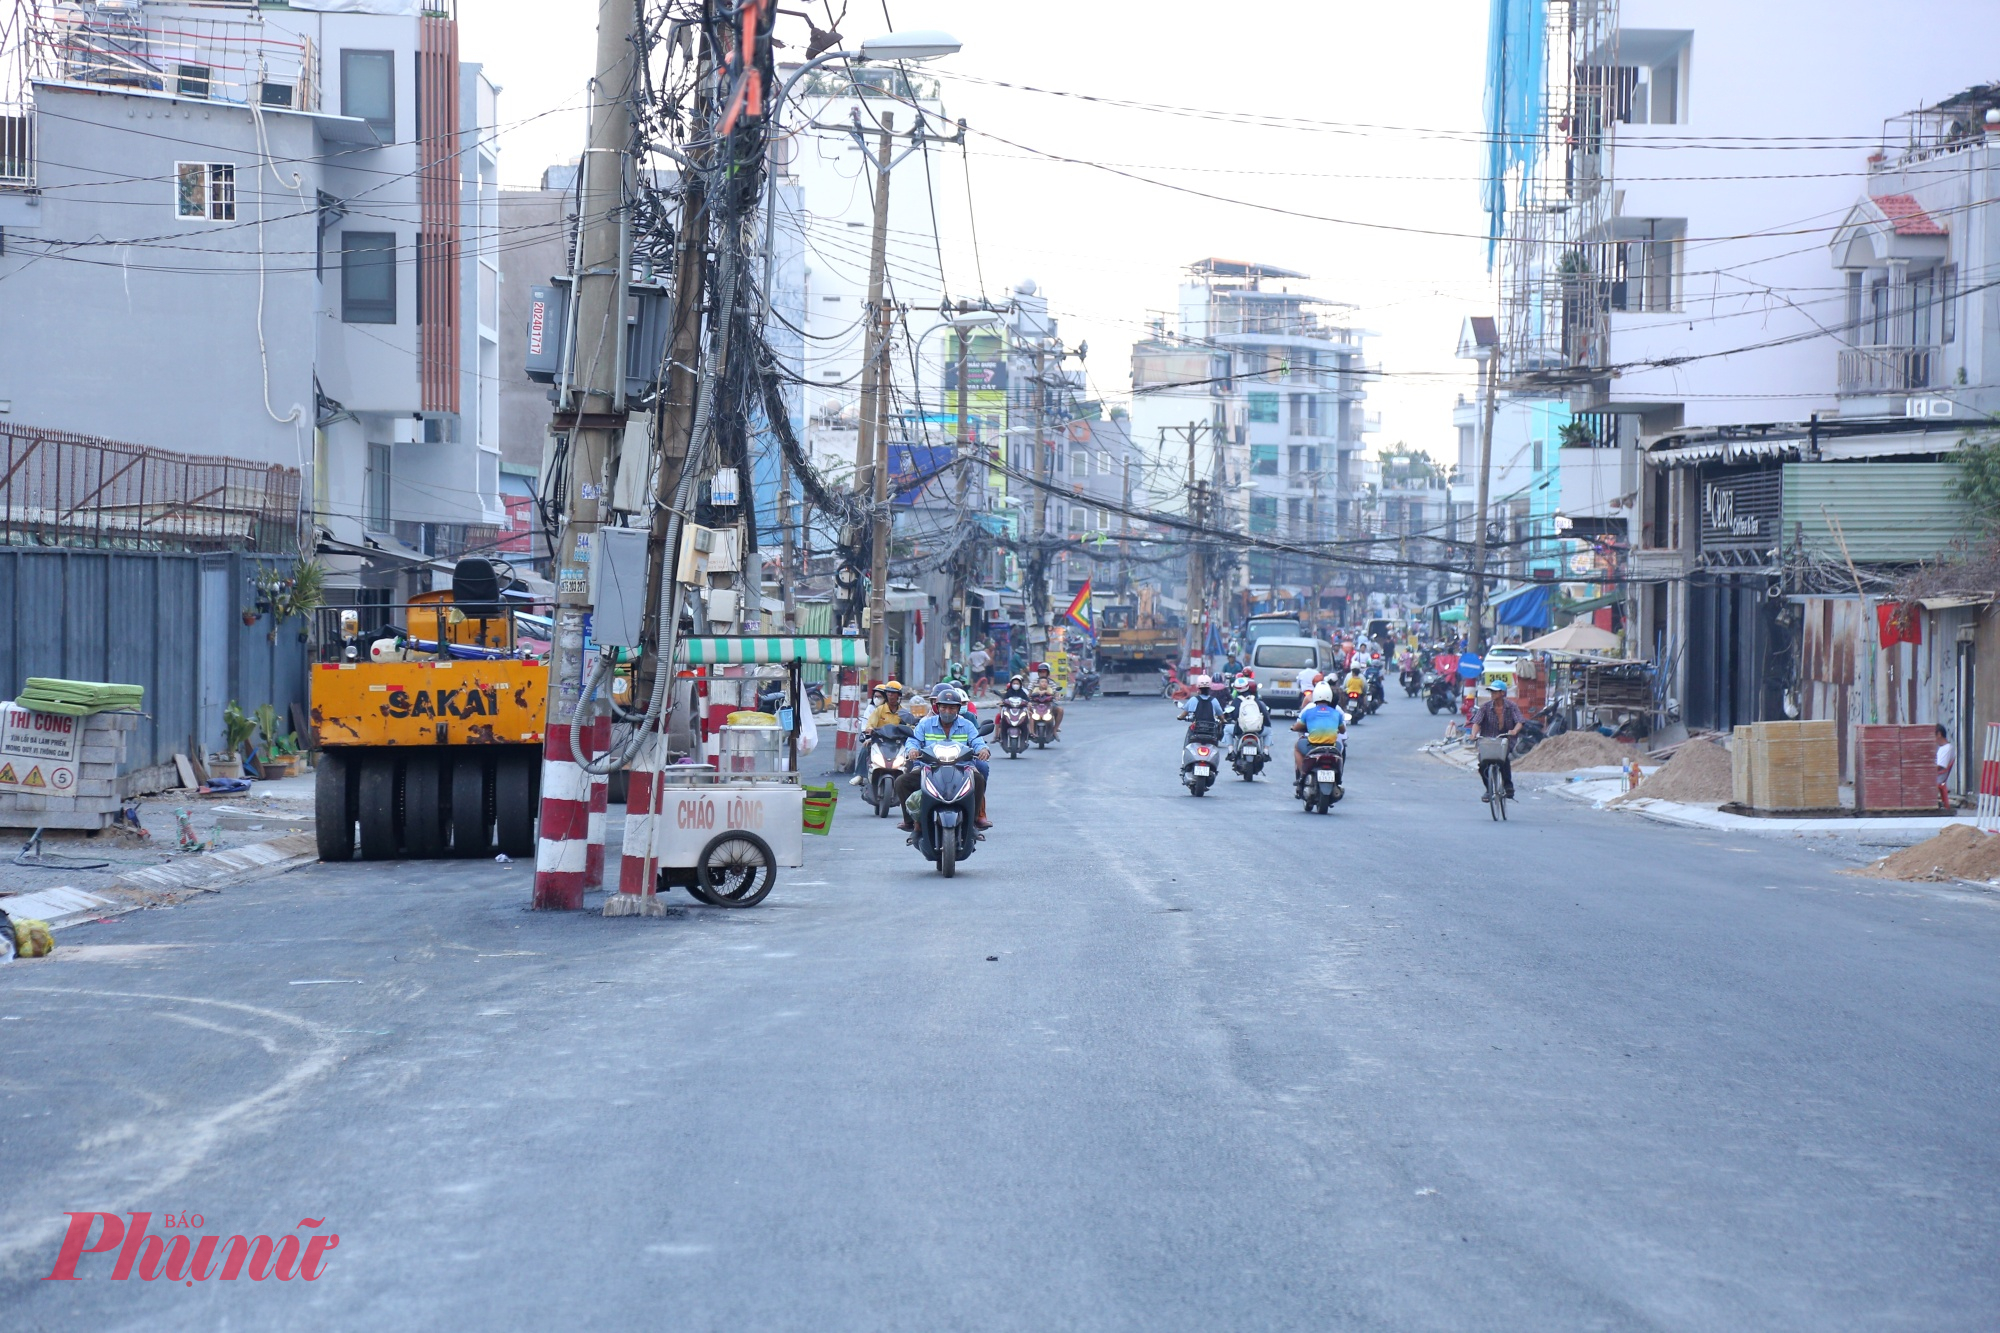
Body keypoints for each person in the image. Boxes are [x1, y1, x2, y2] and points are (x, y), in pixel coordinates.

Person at [894, 685, 991, 831]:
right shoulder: (925, 724)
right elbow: (913, 740)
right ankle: (912, 822)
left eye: (952, 708)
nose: (947, 711)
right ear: (937, 707)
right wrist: (912, 750)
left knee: (978, 780)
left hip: (962, 768)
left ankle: (973, 821)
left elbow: (977, 741)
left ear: (958, 709)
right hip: (929, 768)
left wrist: (982, 750)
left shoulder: (967, 725)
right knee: (901, 782)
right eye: (944, 707)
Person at [1469, 679, 1525, 800]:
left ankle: (1508, 785)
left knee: (1503, 760)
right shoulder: (1485, 707)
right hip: (1487, 740)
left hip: (1504, 740)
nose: (1492, 694)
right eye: (1491, 692)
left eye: (1495, 692)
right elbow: (1476, 722)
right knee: (1483, 765)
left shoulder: (1511, 706)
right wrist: (1473, 734)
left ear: (1502, 693)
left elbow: (1519, 721)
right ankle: (1488, 790)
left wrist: (1514, 731)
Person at [852, 681, 914, 784]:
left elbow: (911, 726)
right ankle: (860, 775)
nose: (890, 695)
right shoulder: (879, 710)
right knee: (865, 748)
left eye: (893, 693)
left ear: (898, 695)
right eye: (888, 692)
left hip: (899, 742)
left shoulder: (904, 712)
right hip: (880, 740)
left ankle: (910, 777)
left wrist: (910, 729)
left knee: (911, 753)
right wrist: (869, 732)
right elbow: (870, 724)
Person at [1291, 682, 1346, 791]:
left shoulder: (1308, 712)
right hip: (1332, 747)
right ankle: (1339, 777)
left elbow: (1297, 726)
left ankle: (1302, 774)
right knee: (1341, 751)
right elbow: (1343, 730)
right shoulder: (1336, 713)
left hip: (1313, 746)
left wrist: (1293, 727)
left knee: (1297, 747)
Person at [1177, 675, 1226, 742]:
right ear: (1210, 688)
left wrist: (1180, 717)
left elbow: (1184, 714)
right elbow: (1221, 716)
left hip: (1197, 730)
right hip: (1210, 730)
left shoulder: (1193, 700)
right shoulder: (1214, 700)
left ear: (1198, 688)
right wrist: (1223, 720)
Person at [1030, 662, 1065, 737]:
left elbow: (1056, 693)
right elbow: (1029, 693)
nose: (1042, 673)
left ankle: (1055, 729)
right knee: (1026, 711)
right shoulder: (1033, 682)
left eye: (1044, 671)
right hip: (1035, 703)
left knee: (1060, 710)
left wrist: (1057, 696)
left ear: (1047, 673)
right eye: (1040, 671)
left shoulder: (1051, 682)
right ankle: (1030, 731)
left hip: (1049, 704)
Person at [1937, 723, 1957, 809]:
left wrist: (1927, 771)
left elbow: (1940, 766)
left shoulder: (1947, 749)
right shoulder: (1943, 748)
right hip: (1936, 775)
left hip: (1938, 777)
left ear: (1939, 734)